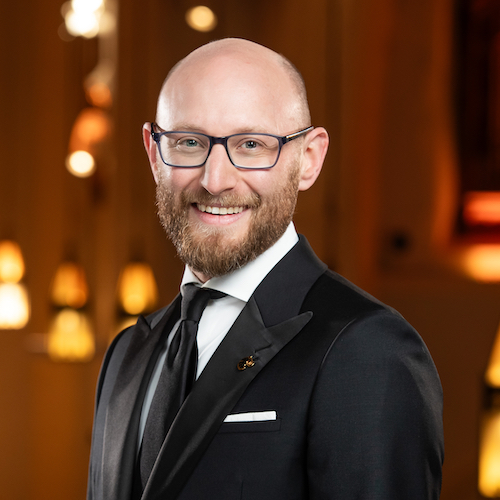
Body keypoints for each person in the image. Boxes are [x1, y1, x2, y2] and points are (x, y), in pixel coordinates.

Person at [87, 38, 444, 500]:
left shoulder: (367, 350)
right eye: (189, 142)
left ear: (308, 160)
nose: (215, 180)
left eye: (251, 144)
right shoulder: (126, 353)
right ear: (155, 154)